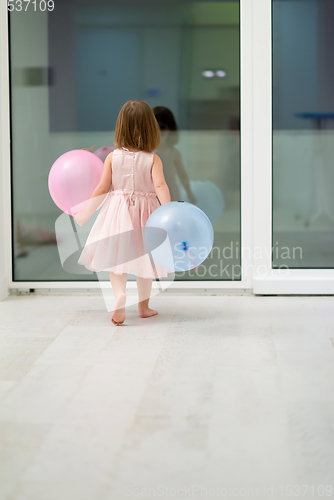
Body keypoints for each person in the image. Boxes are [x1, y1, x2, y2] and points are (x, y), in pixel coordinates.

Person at [74, 100, 171, 325]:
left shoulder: (112, 157)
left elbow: (101, 189)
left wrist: (86, 213)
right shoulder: (153, 159)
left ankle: (119, 295)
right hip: (147, 213)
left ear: (120, 128)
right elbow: (160, 186)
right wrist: (168, 213)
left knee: (116, 257)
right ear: (150, 128)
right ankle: (144, 307)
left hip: (117, 213)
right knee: (146, 260)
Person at [153, 106, 195, 203]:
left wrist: (189, 192)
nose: (160, 132)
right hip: (152, 194)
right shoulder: (146, 153)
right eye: (156, 127)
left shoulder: (173, 153)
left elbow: (182, 175)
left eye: (162, 128)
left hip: (171, 193)